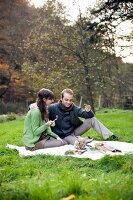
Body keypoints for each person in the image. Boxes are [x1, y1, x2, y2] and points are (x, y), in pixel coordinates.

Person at [48, 88, 118, 145]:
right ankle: (82, 139)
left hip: (74, 131)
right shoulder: (52, 108)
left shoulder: (73, 107)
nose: (69, 102)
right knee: (79, 144)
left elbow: (88, 115)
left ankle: (109, 136)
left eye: (70, 100)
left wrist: (88, 111)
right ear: (61, 98)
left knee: (92, 119)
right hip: (64, 136)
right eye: (66, 100)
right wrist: (49, 122)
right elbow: (42, 116)